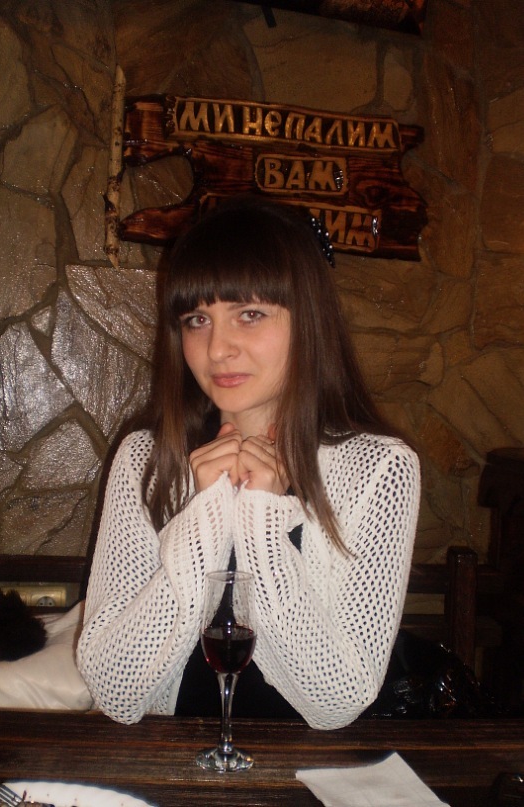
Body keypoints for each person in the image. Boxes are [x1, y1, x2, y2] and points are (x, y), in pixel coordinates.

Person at [77, 197, 420, 729]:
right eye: (197, 320)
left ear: (309, 321)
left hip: (308, 765)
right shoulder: (146, 459)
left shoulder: (379, 469)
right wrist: (206, 514)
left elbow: (339, 699)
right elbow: (113, 687)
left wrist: (261, 516)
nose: (217, 349)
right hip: (173, 758)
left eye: (250, 314)